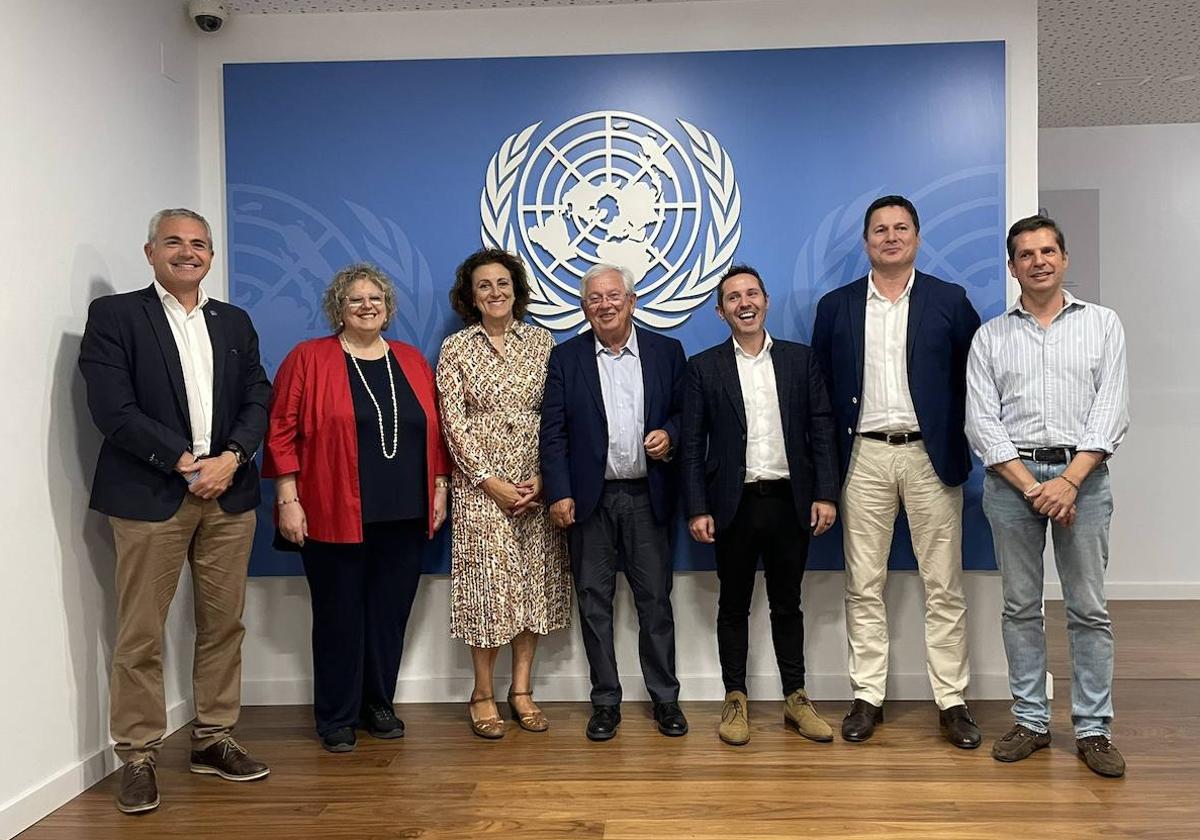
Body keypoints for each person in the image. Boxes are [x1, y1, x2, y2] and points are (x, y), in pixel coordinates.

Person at [79, 208, 272, 814]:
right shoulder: (115, 317)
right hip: (150, 496)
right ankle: (136, 755)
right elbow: (113, 408)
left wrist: (232, 457)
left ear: (211, 257)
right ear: (150, 251)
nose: (188, 252)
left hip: (230, 493)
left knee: (224, 624)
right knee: (140, 632)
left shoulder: (233, 321)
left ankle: (213, 738)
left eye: (199, 244)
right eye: (174, 242)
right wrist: (186, 462)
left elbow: (257, 395)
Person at [811, 195, 983, 748]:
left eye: (900, 228)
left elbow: (974, 381)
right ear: (866, 242)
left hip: (930, 457)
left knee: (944, 586)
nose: (890, 236)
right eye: (880, 229)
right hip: (862, 457)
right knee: (864, 585)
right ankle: (867, 697)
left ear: (917, 237)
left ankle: (952, 702)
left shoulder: (950, 301)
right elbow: (820, 396)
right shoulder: (835, 307)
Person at [262, 263, 450, 753]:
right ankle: (336, 715)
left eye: (376, 299)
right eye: (355, 300)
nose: (367, 306)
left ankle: (378, 703)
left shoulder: (410, 361)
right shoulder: (309, 358)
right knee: (339, 616)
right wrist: (288, 498)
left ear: (387, 308)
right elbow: (281, 430)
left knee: (389, 615)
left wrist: (439, 488)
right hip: (329, 511)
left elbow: (434, 433)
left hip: (404, 514)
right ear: (338, 309)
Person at [966, 215, 1129, 777]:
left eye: (1047, 251)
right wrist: (1037, 487)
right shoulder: (990, 337)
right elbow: (982, 424)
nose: (1038, 261)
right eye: (1026, 254)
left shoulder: (1104, 326)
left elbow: (1111, 411)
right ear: (1012, 267)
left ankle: (1092, 730)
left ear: (1064, 258)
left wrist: (1069, 481)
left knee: (1088, 609)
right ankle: (1032, 721)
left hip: (1085, 481)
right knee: (1020, 608)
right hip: (1014, 484)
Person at [681, 265, 840, 746]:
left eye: (752, 293)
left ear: (766, 301)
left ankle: (796, 697)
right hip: (733, 505)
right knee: (733, 605)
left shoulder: (799, 360)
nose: (743, 303)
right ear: (720, 310)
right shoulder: (703, 367)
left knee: (788, 604)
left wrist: (826, 494)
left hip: (790, 500)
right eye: (733, 297)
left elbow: (821, 428)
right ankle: (736, 698)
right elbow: (691, 445)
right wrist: (697, 507)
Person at [539, 263, 688, 741]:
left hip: (648, 496)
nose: (605, 305)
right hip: (591, 502)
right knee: (593, 604)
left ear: (632, 301)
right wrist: (559, 492)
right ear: (584, 308)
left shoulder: (667, 352)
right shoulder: (566, 359)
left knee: (655, 603)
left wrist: (672, 434)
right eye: (594, 299)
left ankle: (665, 699)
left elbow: (688, 412)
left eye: (613, 297)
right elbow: (554, 433)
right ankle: (605, 701)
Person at [436, 248, 571, 739]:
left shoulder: (543, 342)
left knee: (533, 589)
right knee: (488, 593)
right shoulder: (457, 349)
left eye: (502, 284)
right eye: (484, 286)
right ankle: (482, 693)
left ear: (516, 290)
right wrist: (490, 481)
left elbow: (556, 415)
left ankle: (521, 691)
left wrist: (543, 477)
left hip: (536, 486)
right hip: (480, 489)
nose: (495, 293)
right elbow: (453, 424)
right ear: (471, 297)